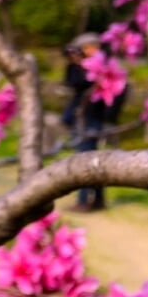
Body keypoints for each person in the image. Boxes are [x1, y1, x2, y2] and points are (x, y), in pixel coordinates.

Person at [62, 33, 108, 212]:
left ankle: (85, 201)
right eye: (90, 47)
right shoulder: (76, 67)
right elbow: (73, 83)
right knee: (88, 158)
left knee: (87, 159)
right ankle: (96, 200)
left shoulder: (101, 66)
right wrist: (76, 64)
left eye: (96, 46)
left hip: (94, 117)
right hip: (81, 117)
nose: (94, 50)